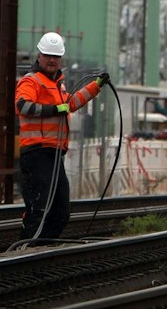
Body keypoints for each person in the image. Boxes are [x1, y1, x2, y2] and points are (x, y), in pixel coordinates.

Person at [13, 31, 107, 241]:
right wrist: (55, 109)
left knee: (61, 212)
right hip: (36, 152)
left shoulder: (58, 84)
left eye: (56, 56)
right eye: (48, 55)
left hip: (54, 154)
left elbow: (71, 104)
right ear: (39, 55)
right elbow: (23, 105)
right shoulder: (31, 81)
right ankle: (26, 247)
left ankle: (42, 247)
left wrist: (96, 86)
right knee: (39, 208)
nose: (52, 60)